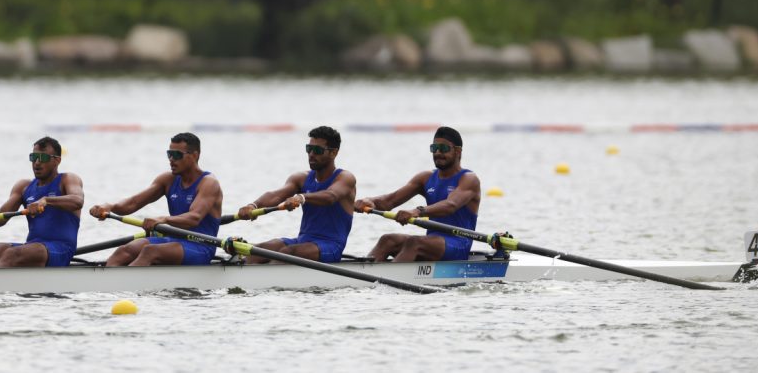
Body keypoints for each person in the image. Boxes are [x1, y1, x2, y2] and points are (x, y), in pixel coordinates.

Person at [90, 132, 223, 266]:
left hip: (201, 246)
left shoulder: (208, 183)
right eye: (169, 154)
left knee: (150, 251)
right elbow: (132, 203)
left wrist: (163, 219)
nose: (171, 159)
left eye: (177, 155)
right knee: (125, 250)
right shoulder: (167, 180)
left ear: (195, 155)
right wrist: (110, 206)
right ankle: (107, 284)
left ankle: (124, 282)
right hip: (173, 241)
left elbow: (194, 218)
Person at [355, 125, 480, 262]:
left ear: (458, 151)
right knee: (387, 240)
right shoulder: (425, 178)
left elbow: (450, 205)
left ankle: (386, 281)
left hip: (458, 244)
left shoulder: (468, 179)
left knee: (414, 243)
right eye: (434, 148)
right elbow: (389, 201)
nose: (438, 152)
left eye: (443, 148)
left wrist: (417, 211)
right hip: (432, 242)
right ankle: (363, 278)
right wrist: (369, 201)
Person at [235, 125, 356, 263]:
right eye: (309, 149)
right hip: (303, 241)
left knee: (287, 253)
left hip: (330, 246)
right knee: (259, 249)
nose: (311, 154)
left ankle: (266, 281)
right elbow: (276, 195)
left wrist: (302, 197)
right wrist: (253, 205)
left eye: (317, 150)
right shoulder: (301, 178)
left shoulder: (345, 178)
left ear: (333, 153)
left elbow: (330, 196)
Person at [0, 136, 84, 267]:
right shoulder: (24, 186)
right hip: (32, 248)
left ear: (57, 161)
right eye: (33, 157)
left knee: (12, 254)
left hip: (60, 249)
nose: (37, 162)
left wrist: (46, 201)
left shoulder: (67, 179)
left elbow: (77, 200)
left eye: (43, 158)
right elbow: (1, 217)